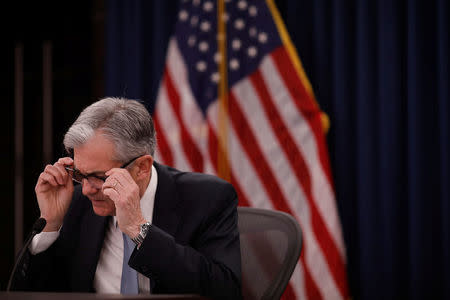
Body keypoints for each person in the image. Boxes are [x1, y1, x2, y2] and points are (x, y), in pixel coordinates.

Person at [11, 97, 242, 299]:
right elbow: (31, 293)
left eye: (100, 177)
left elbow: (225, 290)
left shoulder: (207, 198)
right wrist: (50, 225)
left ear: (142, 167)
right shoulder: (77, 202)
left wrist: (139, 229)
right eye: (80, 174)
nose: (89, 189)